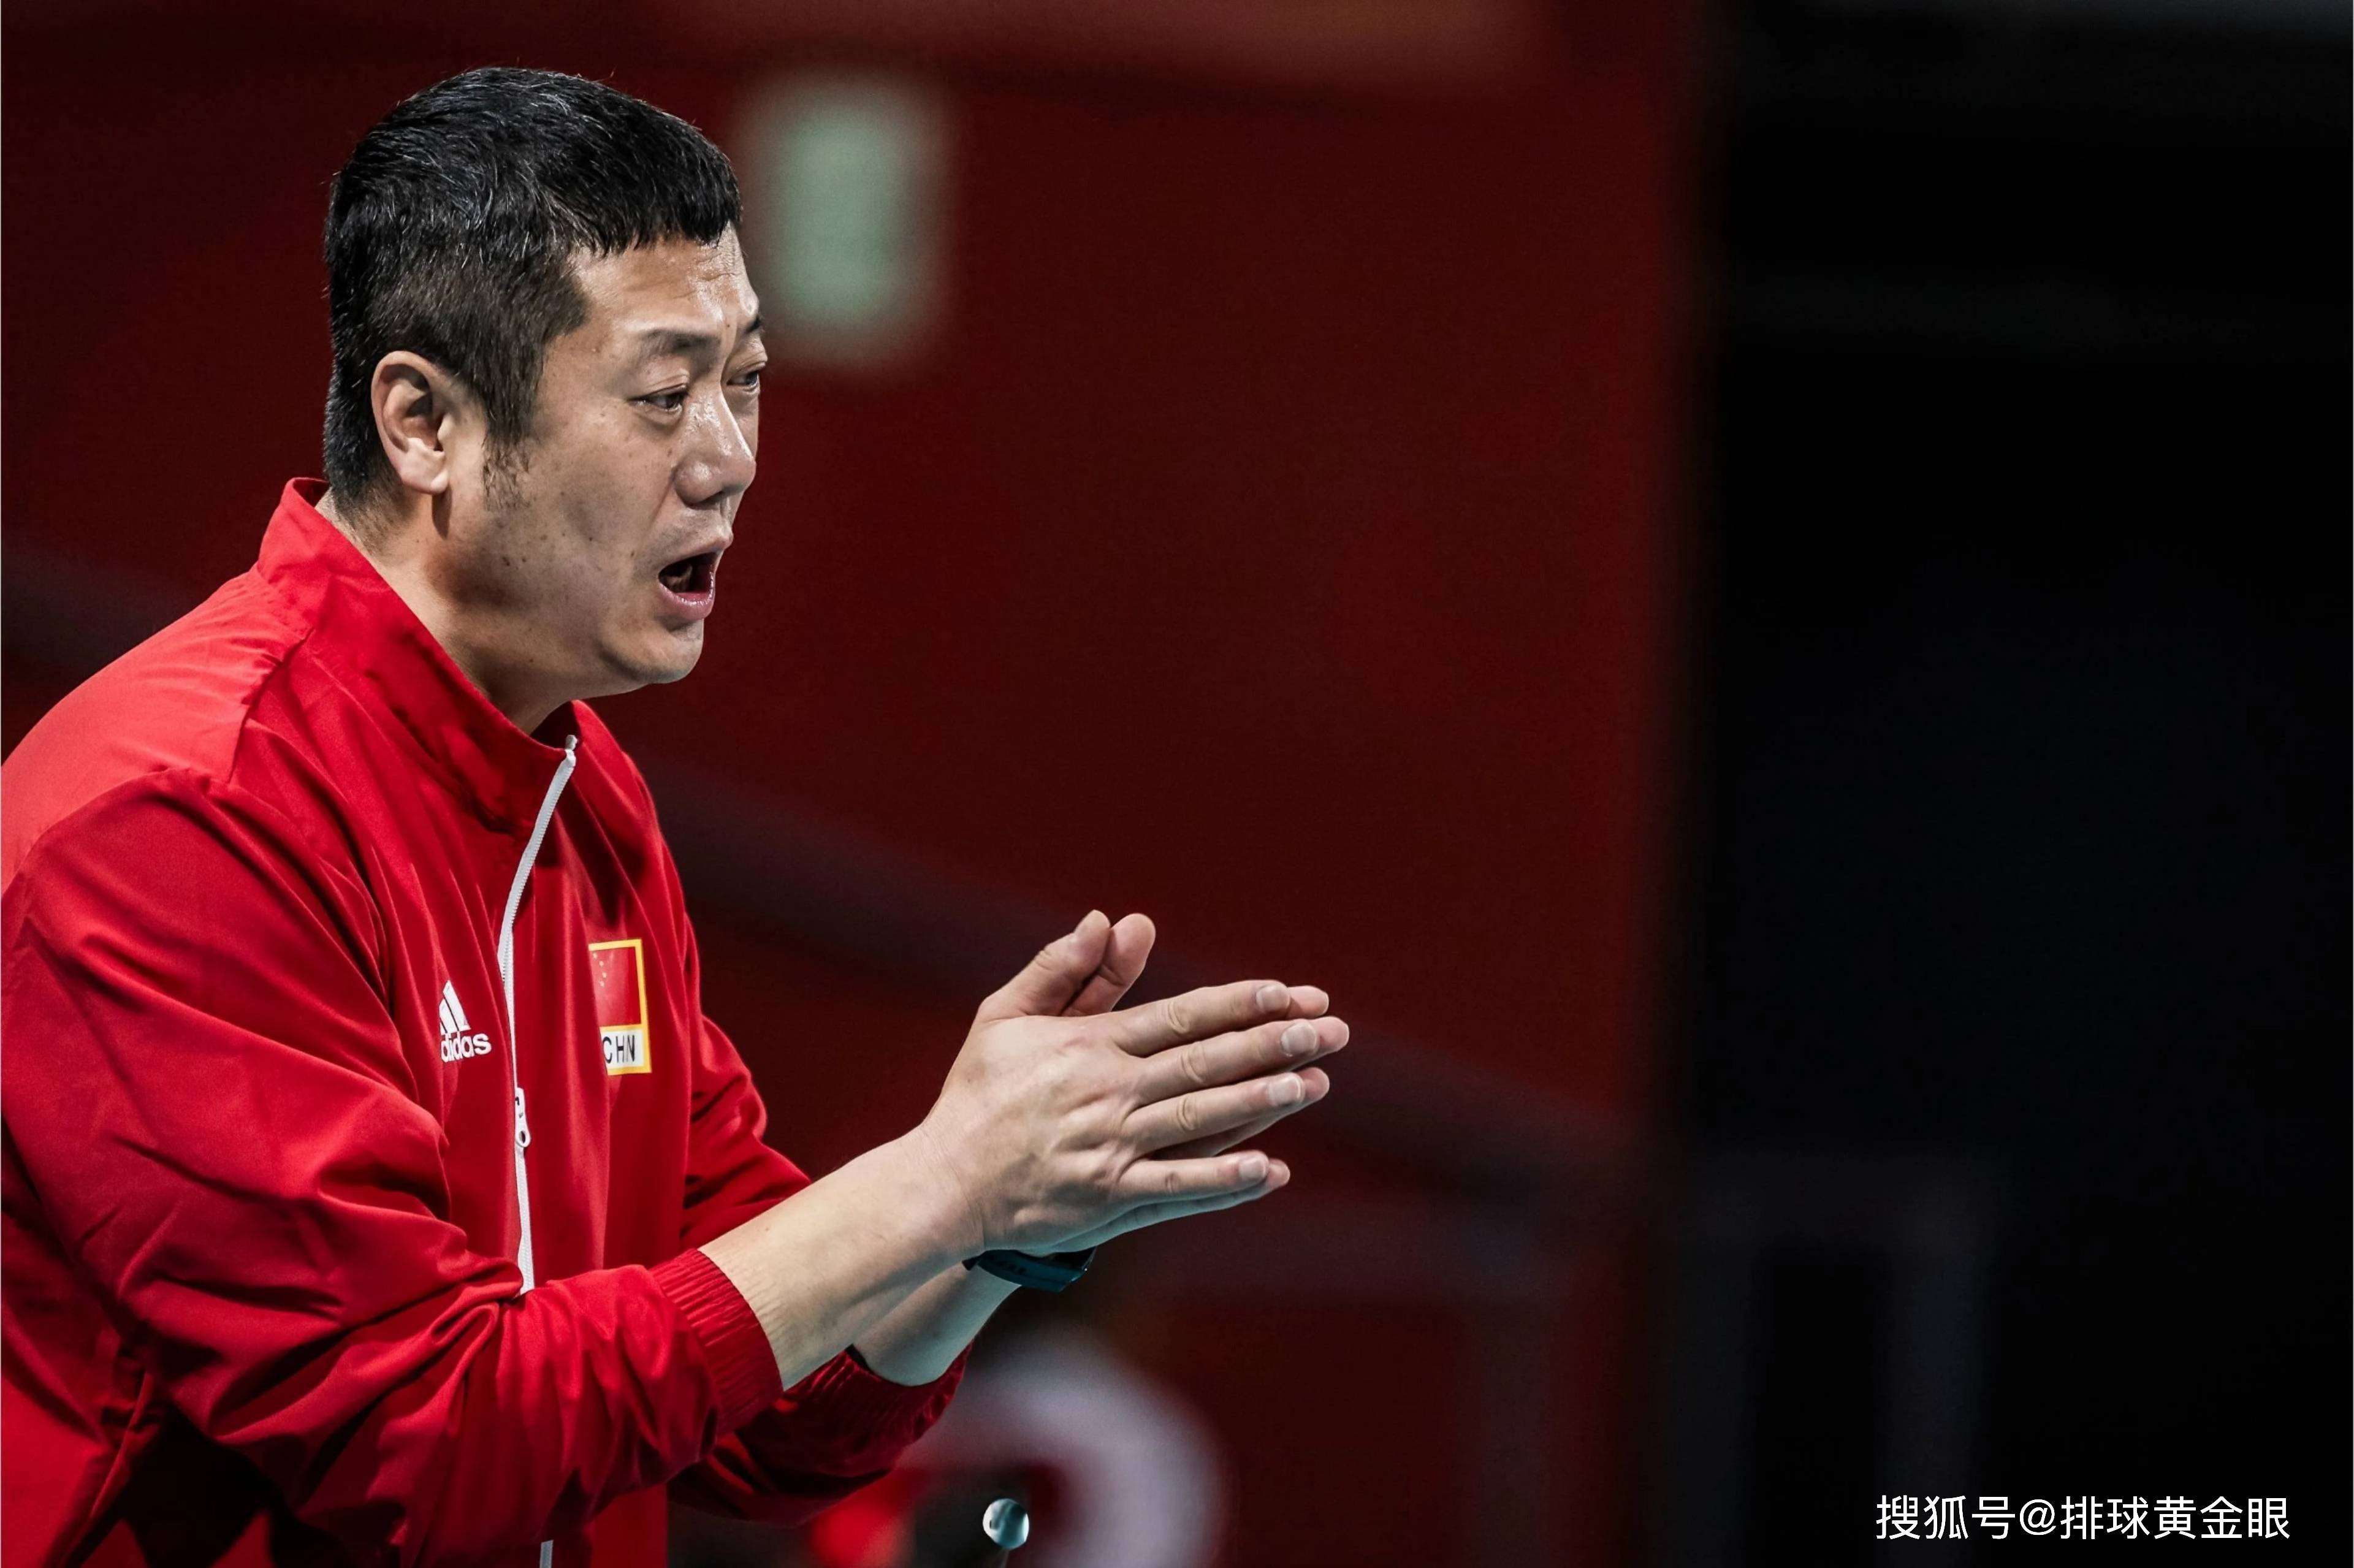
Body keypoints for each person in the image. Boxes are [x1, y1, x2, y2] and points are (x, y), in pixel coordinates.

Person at [0, 68, 1344, 1566]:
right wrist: (936, 1180)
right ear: (426, 422)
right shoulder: (179, 821)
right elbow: (426, 1443)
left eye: (744, 380)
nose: (729, 456)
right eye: (663, 394)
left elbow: (777, 1418)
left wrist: (993, 1228)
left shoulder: (585, 795)